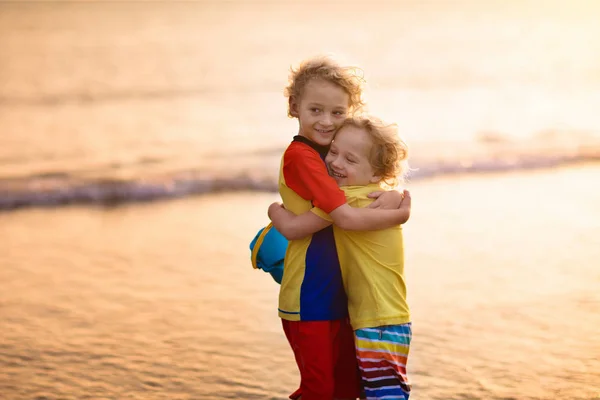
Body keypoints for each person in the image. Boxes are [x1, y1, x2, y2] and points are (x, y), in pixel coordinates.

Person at [266, 56, 410, 400]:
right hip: (309, 294)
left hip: (342, 296)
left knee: (347, 389)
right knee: (320, 390)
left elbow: (362, 185)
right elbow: (342, 213)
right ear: (294, 107)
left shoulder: (332, 154)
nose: (326, 121)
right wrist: (401, 212)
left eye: (337, 112)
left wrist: (392, 194)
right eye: (315, 110)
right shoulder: (302, 157)